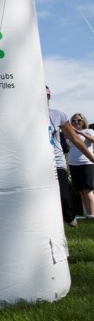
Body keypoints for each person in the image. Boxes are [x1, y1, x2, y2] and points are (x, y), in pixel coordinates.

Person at [47, 86, 94, 227]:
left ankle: (70, 215)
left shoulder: (58, 115)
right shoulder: (26, 114)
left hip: (57, 162)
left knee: (65, 195)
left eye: (46, 96)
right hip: (38, 163)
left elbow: (76, 140)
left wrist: (92, 158)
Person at [68, 113, 94, 219]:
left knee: (88, 190)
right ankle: (86, 214)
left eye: (78, 120)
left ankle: (92, 215)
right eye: (73, 121)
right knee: (81, 191)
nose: (76, 122)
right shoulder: (69, 134)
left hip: (86, 163)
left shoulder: (89, 131)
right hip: (73, 163)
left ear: (83, 121)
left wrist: (80, 133)